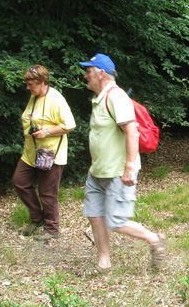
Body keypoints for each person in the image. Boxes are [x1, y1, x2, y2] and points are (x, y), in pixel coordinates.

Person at [79, 53, 165, 271]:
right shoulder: (99, 98)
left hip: (118, 172)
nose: (85, 75)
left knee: (116, 221)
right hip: (97, 171)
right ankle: (104, 260)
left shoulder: (116, 97)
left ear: (101, 74)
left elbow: (131, 132)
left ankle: (154, 239)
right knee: (95, 214)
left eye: (89, 71)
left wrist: (129, 167)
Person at [12, 65, 76, 241]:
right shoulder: (34, 97)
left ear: (42, 82)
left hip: (50, 154)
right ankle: (37, 217)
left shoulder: (56, 99)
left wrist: (46, 131)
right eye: (27, 83)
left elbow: (70, 125)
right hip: (31, 153)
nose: (28, 87)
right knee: (20, 182)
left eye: (31, 84)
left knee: (47, 192)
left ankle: (52, 229)